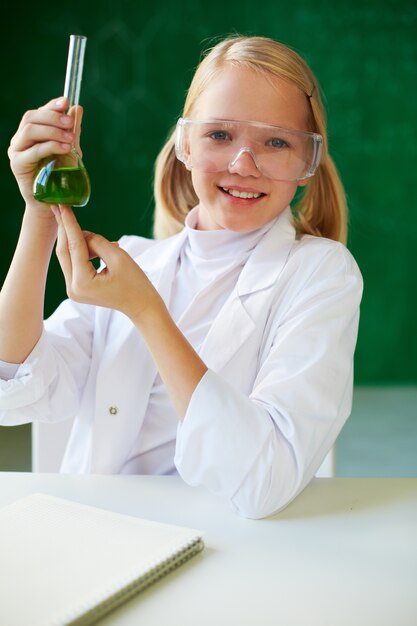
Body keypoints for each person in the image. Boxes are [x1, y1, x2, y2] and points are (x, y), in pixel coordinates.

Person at [0, 35, 362, 519]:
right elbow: (16, 389)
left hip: (230, 548)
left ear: (306, 164)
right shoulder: (134, 261)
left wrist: (145, 311)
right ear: (185, 145)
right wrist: (38, 209)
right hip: (101, 533)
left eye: (276, 142)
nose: (243, 165)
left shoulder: (320, 274)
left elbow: (263, 483)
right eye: (219, 136)